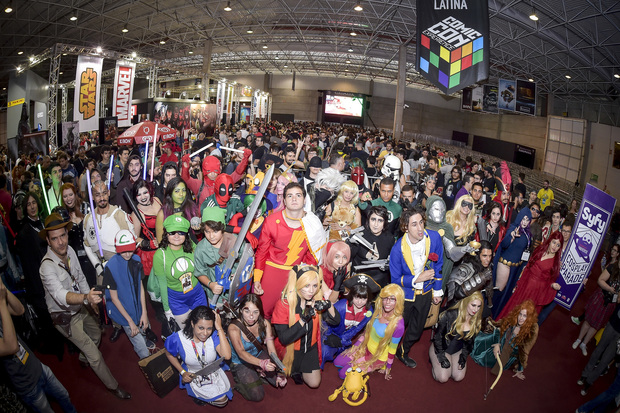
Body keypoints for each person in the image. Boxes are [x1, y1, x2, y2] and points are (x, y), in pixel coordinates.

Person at [38, 213, 131, 399]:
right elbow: (61, 296)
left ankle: (82, 358)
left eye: (63, 235)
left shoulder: (70, 251)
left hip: (80, 307)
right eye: (54, 239)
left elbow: (80, 278)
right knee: (95, 355)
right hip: (64, 318)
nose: (61, 242)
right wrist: (85, 298)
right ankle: (113, 387)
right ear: (48, 241)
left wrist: (90, 302)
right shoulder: (46, 267)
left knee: (97, 334)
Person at [0, 279, 78, 413]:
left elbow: (19, 310)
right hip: (27, 386)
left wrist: (3, 288)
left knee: (64, 396)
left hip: (38, 367)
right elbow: (12, 346)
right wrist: (1, 302)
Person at [254, 182, 326, 319]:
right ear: (284, 200)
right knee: (263, 314)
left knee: (290, 316)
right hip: (271, 272)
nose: (294, 199)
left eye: (298, 195)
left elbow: (313, 256)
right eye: (290, 195)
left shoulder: (313, 223)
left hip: (295, 275)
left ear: (304, 200)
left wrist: (306, 280)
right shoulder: (271, 221)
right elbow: (261, 252)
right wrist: (257, 278)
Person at [390, 206, 444, 368]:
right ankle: (388, 350)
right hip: (405, 295)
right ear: (406, 227)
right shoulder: (397, 249)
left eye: (421, 222)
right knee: (398, 326)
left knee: (417, 328)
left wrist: (437, 289)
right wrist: (416, 279)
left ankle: (403, 351)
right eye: (414, 224)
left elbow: (439, 264)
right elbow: (395, 279)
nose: (420, 228)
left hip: (426, 292)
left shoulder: (434, 238)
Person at [271, 265, 340, 387]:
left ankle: (299, 370)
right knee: (282, 374)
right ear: (298, 284)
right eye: (306, 286)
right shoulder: (284, 304)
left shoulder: (316, 300)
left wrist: (329, 304)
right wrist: (304, 319)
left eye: (314, 286)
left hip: (310, 349)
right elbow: (284, 339)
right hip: (290, 350)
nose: (311, 291)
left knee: (314, 383)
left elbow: (335, 321)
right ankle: (294, 370)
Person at [333, 283, 405, 380]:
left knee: (342, 374)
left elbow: (393, 349)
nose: (387, 302)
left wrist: (387, 367)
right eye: (385, 298)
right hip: (365, 348)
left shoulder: (398, 325)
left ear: (399, 301)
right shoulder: (379, 310)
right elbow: (366, 332)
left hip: (376, 357)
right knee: (337, 362)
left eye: (392, 299)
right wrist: (355, 346)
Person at [164, 306, 232, 407]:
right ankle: (199, 396)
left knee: (223, 401)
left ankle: (204, 397)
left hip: (212, 369)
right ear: (192, 323)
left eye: (209, 328)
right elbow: (168, 353)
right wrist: (182, 372)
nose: (205, 333)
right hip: (193, 373)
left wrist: (219, 328)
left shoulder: (213, 335)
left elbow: (227, 356)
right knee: (222, 401)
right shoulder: (178, 338)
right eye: (201, 328)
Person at [103, 230, 153, 359]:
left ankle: (144, 339)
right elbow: (114, 298)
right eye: (123, 251)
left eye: (130, 250)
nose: (127, 254)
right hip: (124, 313)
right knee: (141, 349)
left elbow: (141, 288)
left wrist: (144, 313)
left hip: (137, 308)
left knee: (143, 329)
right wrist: (129, 321)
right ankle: (148, 364)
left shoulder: (136, 259)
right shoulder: (110, 267)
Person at [152, 215, 209, 328]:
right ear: (166, 234)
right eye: (172, 232)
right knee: (187, 331)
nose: (177, 236)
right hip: (176, 299)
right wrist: (167, 310)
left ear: (186, 235)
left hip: (197, 294)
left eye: (181, 232)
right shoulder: (160, 255)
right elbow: (162, 284)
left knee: (204, 327)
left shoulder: (192, 246)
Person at [227, 294, 286, 402]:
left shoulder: (264, 323)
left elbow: (271, 348)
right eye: (247, 311)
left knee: (277, 380)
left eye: (255, 312)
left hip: (258, 353)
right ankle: (241, 380)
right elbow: (241, 353)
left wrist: (279, 367)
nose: (251, 316)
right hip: (241, 362)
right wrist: (261, 364)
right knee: (257, 395)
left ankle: (258, 372)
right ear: (240, 310)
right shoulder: (234, 328)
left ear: (260, 312)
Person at [497, 231, 563, 319]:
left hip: (535, 292)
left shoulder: (556, 262)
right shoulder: (540, 249)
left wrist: (553, 284)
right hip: (525, 284)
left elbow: (549, 279)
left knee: (524, 317)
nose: (555, 247)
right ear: (550, 241)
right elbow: (528, 266)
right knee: (513, 309)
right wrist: (520, 282)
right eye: (554, 242)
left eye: (558, 245)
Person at [471, 300, 539, 380]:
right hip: (498, 341)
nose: (521, 318)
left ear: (529, 318)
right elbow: (499, 324)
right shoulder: (513, 320)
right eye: (520, 314)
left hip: (505, 356)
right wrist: (497, 344)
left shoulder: (531, 331)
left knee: (482, 358)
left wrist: (520, 369)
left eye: (524, 316)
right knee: (477, 341)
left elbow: (524, 351)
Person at [321, 274, 379, 367]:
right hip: (331, 336)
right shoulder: (341, 306)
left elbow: (357, 329)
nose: (359, 302)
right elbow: (325, 321)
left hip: (345, 339)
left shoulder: (369, 312)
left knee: (345, 359)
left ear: (368, 299)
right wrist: (328, 336)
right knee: (324, 352)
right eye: (357, 297)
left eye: (364, 298)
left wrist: (342, 340)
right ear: (352, 296)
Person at [572, 253, 620, 357]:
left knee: (597, 325)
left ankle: (584, 344)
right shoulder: (613, 266)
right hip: (602, 298)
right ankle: (579, 339)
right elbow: (600, 280)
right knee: (589, 320)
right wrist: (610, 289)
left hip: (611, 304)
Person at [429, 292, 483, 383]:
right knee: (443, 378)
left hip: (457, 351)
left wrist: (463, 357)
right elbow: (437, 337)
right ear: (466, 302)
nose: (476, 309)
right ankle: (434, 362)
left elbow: (469, 344)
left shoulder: (476, 321)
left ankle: (447, 366)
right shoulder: (450, 314)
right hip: (440, 348)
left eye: (478, 306)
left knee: (458, 377)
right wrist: (441, 357)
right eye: (473, 305)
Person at [492, 207, 533, 318]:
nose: (524, 222)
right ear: (519, 218)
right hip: (505, 264)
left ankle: (495, 316)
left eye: (527, 220)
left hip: (516, 268)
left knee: (506, 294)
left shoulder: (528, 235)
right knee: (498, 292)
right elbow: (504, 244)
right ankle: (488, 315)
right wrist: (511, 237)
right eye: (523, 219)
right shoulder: (513, 228)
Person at [59, 183, 96, 287]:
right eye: (65, 196)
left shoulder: (86, 207)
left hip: (91, 257)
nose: (68, 199)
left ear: (75, 194)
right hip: (73, 260)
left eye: (70, 194)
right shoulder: (62, 215)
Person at [348, 205, 395, 287]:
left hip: (380, 281)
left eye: (380, 221)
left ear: (385, 222)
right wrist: (350, 244)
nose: (376, 224)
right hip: (359, 280)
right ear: (368, 220)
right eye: (373, 219)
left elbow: (393, 262)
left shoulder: (389, 238)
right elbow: (348, 258)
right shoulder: (359, 236)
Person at [579, 304, 620, 395]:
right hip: (612, 324)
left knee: (605, 360)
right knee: (598, 350)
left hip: (619, 337)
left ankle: (589, 382)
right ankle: (585, 374)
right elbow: (617, 299)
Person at [129, 179, 160, 277]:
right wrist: (148, 243)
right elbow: (134, 238)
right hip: (150, 255)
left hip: (165, 247)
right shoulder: (136, 214)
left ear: (150, 191)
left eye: (145, 192)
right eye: (139, 194)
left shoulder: (156, 200)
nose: (143, 197)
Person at [156, 177, 200, 243]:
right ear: (170, 193)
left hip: (191, 249)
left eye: (184, 190)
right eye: (177, 191)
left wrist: (198, 229)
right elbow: (160, 241)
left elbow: (196, 234)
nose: (181, 194)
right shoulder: (162, 213)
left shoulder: (191, 208)